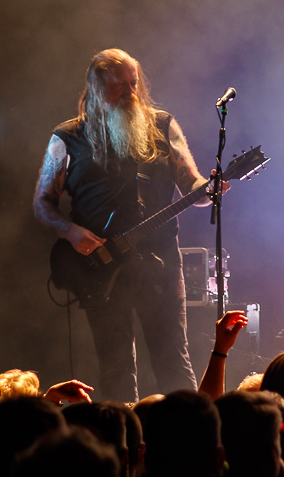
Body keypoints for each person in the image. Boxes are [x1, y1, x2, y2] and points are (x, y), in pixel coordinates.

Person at [33, 49, 215, 399]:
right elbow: (42, 204)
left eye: (135, 83)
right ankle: (124, 446)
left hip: (160, 264)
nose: (132, 92)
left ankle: (191, 439)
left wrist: (209, 189)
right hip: (100, 267)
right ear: (96, 88)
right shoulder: (67, 137)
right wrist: (71, 232)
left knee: (173, 360)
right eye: (120, 86)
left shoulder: (162, 125)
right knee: (116, 367)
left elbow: (193, 185)